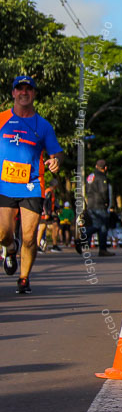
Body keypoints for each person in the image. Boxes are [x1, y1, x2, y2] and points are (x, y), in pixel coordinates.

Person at [0, 75, 64, 294]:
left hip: (32, 185)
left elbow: (57, 152)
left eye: (28, 89)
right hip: (4, 184)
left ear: (34, 94)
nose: (24, 92)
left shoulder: (43, 125)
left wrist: (56, 160)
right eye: (20, 89)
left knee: (29, 237)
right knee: (3, 233)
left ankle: (24, 278)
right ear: (13, 93)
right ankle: (10, 249)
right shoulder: (1, 119)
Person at [84, 159, 115, 256]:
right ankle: (82, 237)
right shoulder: (102, 177)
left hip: (91, 203)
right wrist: (107, 203)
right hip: (99, 204)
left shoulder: (91, 176)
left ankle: (102, 249)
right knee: (101, 226)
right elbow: (103, 191)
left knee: (100, 226)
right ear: (105, 168)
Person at [37, 178, 61, 252]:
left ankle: (54, 245)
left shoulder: (52, 192)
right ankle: (37, 245)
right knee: (42, 227)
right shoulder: (48, 192)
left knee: (55, 227)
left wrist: (56, 209)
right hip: (46, 212)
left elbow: (52, 203)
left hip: (50, 212)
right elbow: (45, 203)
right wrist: (46, 213)